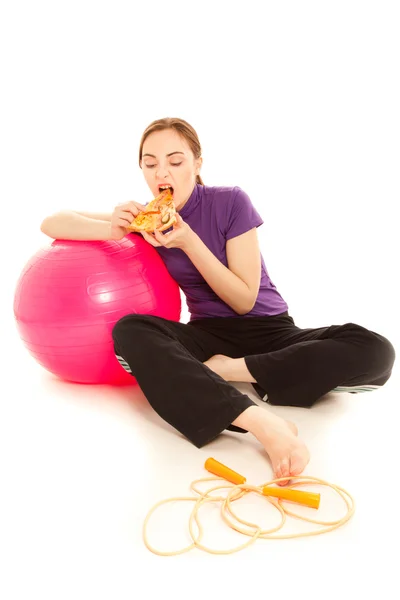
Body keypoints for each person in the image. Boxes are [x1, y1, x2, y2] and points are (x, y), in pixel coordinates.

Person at [41, 117, 396, 485]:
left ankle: (227, 371)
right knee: (131, 333)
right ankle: (256, 419)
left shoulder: (230, 201)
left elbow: (244, 300)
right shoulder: (149, 219)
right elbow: (54, 222)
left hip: (270, 330)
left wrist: (189, 241)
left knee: (374, 349)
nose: (162, 171)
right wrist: (113, 227)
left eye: (175, 161)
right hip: (208, 333)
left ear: (197, 164)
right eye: (150, 163)